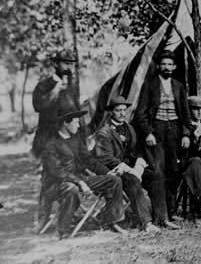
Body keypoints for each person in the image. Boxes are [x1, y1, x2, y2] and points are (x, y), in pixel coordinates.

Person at [40, 100, 126, 239]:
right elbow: (58, 172)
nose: (79, 124)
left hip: (79, 180)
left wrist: (106, 172)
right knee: (71, 188)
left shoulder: (76, 139)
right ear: (65, 123)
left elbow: (89, 160)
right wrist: (80, 183)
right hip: (54, 185)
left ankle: (111, 221)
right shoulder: (51, 144)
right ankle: (64, 230)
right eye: (75, 121)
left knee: (114, 180)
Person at [94, 96, 177, 231]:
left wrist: (139, 163)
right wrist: (128, 169)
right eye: (118, 110)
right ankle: (146, 223)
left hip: (132, 167)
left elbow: (137, 150)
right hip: (116, 171)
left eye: (124, 110)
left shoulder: (130, 128)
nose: (122, 113)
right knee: (133, 181)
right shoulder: (105, 132)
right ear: (111, 112)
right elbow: (106, 158)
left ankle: (162, 218)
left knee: (156, 177)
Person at [134, 50, 193, 220]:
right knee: (159, 171)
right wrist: (148, 133)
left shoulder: (179, 86)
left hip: (175, 130)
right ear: (159, 66)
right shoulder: (149, 85)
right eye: (164, 64)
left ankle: (172, 211)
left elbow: (186, 114)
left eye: (170, 64)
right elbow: (141, 113)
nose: (166, 67)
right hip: (157, 130)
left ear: (174, 67)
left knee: (174, 170)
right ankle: (161, 213)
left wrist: (186, 134)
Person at [32, 50, 78, 158]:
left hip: (68, 139)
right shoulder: (44, 84)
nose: (69, 67)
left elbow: (75, 111)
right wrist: (56, 89)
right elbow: (38, 105)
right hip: (48, 138)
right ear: (56, 64)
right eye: (66, 63)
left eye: (71, 64)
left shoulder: (71, 87)